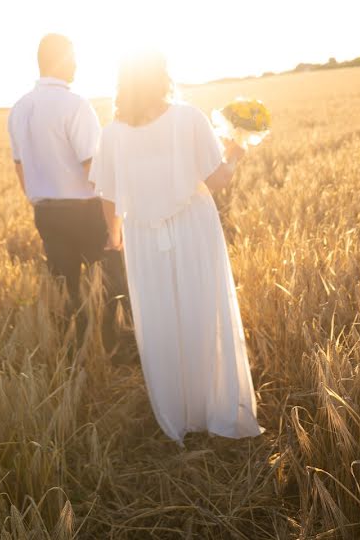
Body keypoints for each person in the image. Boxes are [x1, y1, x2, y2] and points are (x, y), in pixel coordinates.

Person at [88, 50, 264, 445]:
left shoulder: (112, 132)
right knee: (202, 309)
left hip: (143, 237)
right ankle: (215, 405)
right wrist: (236, 152)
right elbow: (216, 179)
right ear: (162, 76)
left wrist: (114, 234)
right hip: (193, 227)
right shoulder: (188, 117)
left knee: (160, 319)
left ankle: (178, 413)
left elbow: (108, 193)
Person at [7, 33, 129, 352]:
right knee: (110, 284)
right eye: (72, 56)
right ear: (60, 59)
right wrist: (113, 221)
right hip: (86, 212)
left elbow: (19, 165)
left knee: (66, 289)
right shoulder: (75, 105)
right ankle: (115, 351)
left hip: (46, 212)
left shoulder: (19, 109)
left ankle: (75, 354)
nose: (76, 63)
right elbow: (93, 168)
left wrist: (37, 199)